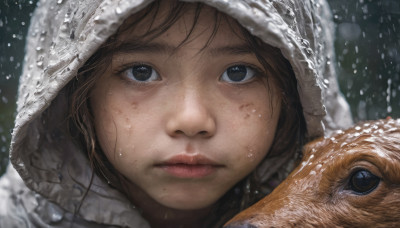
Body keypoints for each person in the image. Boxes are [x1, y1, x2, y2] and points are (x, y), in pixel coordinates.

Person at [0, 0, 353, 227]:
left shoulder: (367, 214)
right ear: (73, 89)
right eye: (141, 72)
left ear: (298, 91)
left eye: (238, 72)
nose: (191, 120)